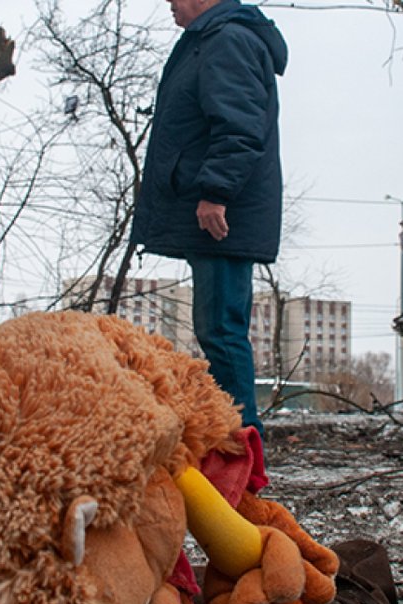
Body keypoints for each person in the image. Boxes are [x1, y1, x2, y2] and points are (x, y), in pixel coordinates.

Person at [129, 0, 287, 439]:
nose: (170, 6)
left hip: (222, 216)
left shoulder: (227, 40)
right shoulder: (212, 40)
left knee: (220, 329)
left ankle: (242, 449)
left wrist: (215, 193)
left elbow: (239, 126)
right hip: (218, 213)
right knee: (218, 328)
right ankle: (231, 443)